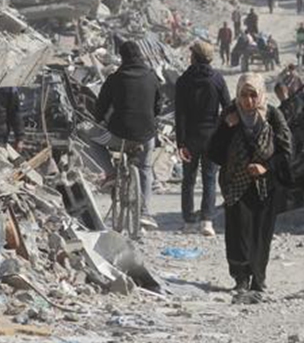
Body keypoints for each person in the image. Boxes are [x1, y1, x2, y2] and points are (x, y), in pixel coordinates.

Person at [208, 74, 292, 295]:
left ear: (261, 94)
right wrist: (227, 128)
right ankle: (241, 278)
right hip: (235, 184)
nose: (248, 101)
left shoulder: (273, 116)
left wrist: (265, 167)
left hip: (265, 186)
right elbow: (214, 153)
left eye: (253, 95)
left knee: (261, 233)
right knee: (237, 233)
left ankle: (258, 277)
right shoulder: (229, 114)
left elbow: (286, 153)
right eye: (244, 95)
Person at [93, 40, 162, 230]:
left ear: (122, 58)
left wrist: (99, 120)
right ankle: (144, 212)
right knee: (145, 168)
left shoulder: (115, 78)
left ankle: (110, 173)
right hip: (146, 135)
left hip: (118, 135)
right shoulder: (151, 77)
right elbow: (158, 106)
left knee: (93, 140)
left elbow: (101, 106)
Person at [175, 42, 230, 236]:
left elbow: (180, 114)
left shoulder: (183, 80)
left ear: (195, 57)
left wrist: (180, 143)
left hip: (190, 137)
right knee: (209, 178)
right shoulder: (217, 79)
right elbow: (228, 107)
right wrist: (222, 131)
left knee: (188, 180)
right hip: (211, 136)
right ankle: (207, 221)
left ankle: (189, 222)